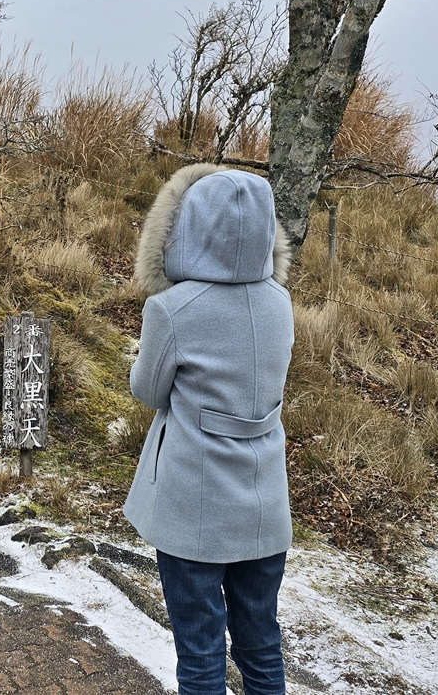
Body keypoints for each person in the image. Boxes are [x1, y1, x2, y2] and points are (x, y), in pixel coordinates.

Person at [123, 163, 295, 695]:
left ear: (188, 225)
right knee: (261, 645)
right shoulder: (280, 302)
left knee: (200, 654)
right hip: (264, 505)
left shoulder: (172, 310)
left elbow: (148, 391)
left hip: (194, 511)